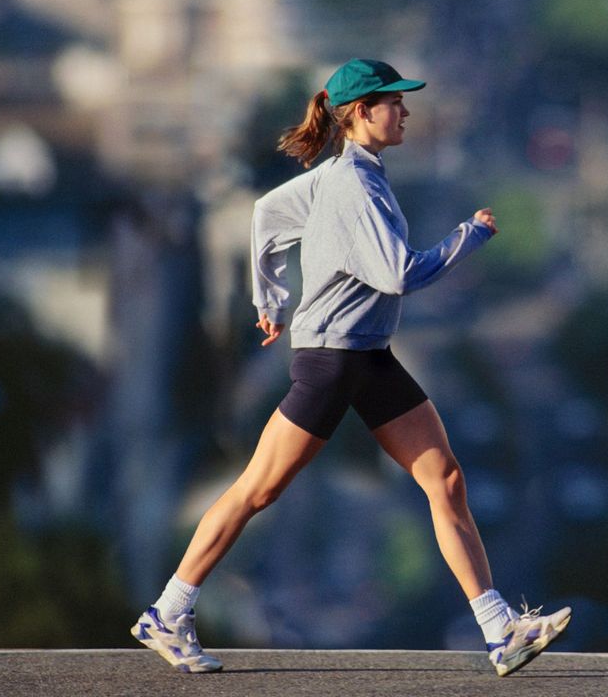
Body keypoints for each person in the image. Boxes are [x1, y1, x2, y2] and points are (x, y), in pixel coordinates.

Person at [131, 58, 571, 677]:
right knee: (258, 489)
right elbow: (398, 274)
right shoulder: (353, 186)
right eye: (395, 102)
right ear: (361, 112)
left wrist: (271, 301)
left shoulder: (345, 175)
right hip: (334, 362)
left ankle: (501, 631)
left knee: (444, 480)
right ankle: (168, 613)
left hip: (369, 356)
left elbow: (265, 215)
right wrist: (468, 236)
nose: (406, 111)